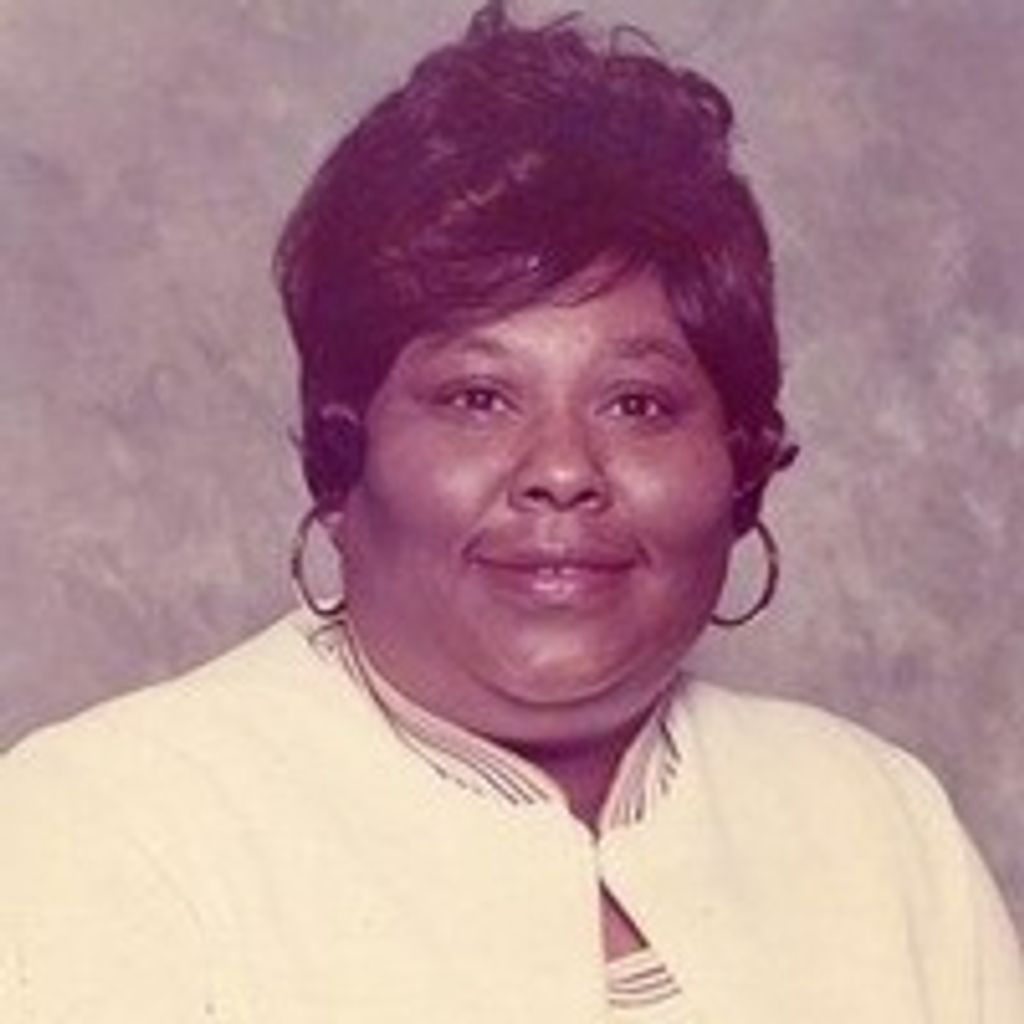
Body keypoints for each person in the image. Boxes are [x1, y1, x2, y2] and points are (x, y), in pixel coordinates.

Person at [3, 2, 1021, 1021]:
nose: (564, 472)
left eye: (638, 403)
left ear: (737, 464)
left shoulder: (878, 825)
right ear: (342, 459)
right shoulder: (108, 828)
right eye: (477, 398)